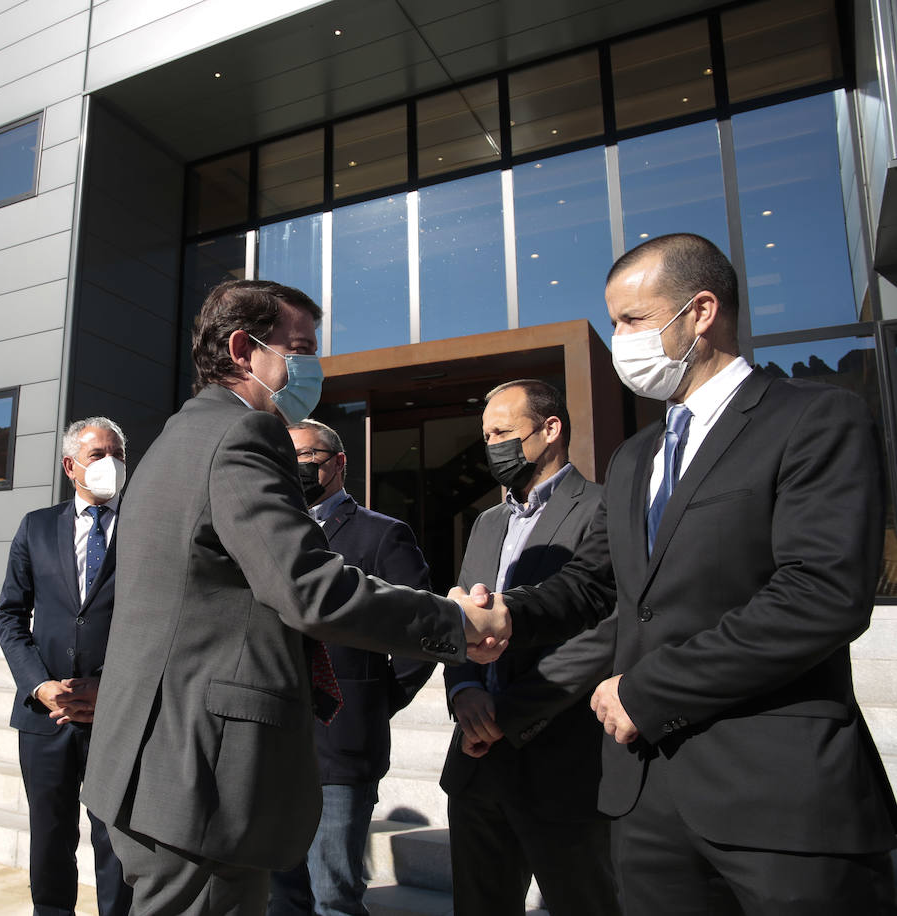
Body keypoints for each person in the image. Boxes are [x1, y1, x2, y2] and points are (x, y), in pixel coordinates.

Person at [476, 234, 897, 914]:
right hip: (646, 803)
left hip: (777, 797)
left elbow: (822, 596)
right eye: (612, 322)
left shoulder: (813, 418)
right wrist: (504, 616)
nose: (619, 340)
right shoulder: (634, 457)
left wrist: (648, 690)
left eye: (632, 321)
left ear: (700, 311)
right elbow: (593, 583)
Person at [82, 279, 510, 915]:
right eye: (301, 349)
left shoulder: (173, 439)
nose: (314, 368)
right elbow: (310, 588)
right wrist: (455, 621)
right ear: (242, 349)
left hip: (158, 766)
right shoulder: (242, 436)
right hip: (200, 779)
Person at [439, 380, 618, 916]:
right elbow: (462, 620)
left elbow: (605, 629)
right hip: (476, 762)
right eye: (486, 433)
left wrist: (511, 713)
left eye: (503, 432)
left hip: (560, 758)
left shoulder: (602, 508)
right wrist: (465, 691)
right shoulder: (487, 523)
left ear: (550, 430)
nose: (491, 444)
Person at [268, 419, 436, 916]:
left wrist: (374, 699)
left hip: (342, 744)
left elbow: (418, 632)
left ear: (339, 463)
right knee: (282, 893)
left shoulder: (383, 535)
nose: (296, 468)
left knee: (334, 893)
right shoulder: (270, 534)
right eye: (286, 457)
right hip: (275, 742)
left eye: (307, 457)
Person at [0, 417, 133, 916]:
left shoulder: (145, 523)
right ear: (69, 466)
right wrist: (39, 686)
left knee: (116, 840)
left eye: (118, 452)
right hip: (45, 716)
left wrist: (112, 688)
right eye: (98, 454)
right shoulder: (36, 526)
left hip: (117, 714)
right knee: (49, 837)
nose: (111, 462)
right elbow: (10, 614)